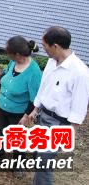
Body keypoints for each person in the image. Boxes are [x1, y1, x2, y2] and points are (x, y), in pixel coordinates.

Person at [28, 26, 89, 185]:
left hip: (59, 124)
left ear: (55, 46)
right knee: (37, 155)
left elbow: (80, 104)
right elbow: (44, 87)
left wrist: (72, 131)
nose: (43, 49)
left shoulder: (80, 72)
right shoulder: (51, 62)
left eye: (44, 46)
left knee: (44, 164)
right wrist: (35, 109)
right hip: (43, 117)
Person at [0, 36, 42, 177]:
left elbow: (34, 99)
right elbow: (4, 73)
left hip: (19, 112)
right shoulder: (13, 62)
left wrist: (26, 116)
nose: (7, 56)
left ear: (17, 54)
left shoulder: (34, 72)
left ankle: (19, 165)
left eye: (8, 53)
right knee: (0, 133)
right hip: (3, 107)